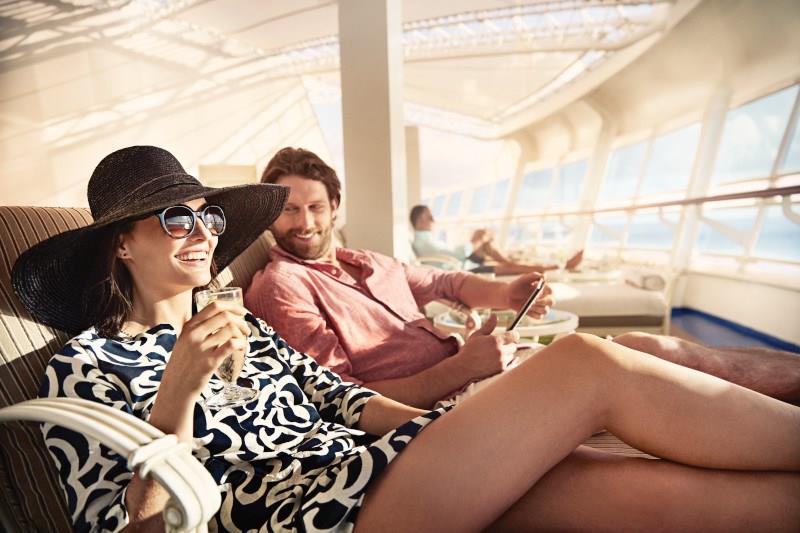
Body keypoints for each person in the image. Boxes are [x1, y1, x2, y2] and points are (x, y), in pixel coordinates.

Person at [13, 145, 800, 533]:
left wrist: (465, 429)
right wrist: (177, 398)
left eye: (209, 215)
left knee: (640, 489)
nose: (203, 231)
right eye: (176, 217)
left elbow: (348, 402)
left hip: (379, 464)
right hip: (305, 508)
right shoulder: (85, 366)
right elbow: (136, 526)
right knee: (588, 361)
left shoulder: (243, 327)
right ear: (122, 243)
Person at [249, 147, 800, 407]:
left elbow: (446, 284)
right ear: (270, 216)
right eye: (289, 210)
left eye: (315, 207)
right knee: (628, 354)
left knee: (645, 349)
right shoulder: (283, 286)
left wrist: (507, 293)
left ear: (335, 207)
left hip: (475, 376)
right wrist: (463, 367)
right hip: (445, 406)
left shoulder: (366, 261)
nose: (305, 223)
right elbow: (345, 400)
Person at [409, 203, 584, 275]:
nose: (434, 220)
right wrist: (478, 241)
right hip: (463, 268)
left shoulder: (426, 239)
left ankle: (508, 260)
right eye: (431, 217)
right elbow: (456, 254)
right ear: (421, 220)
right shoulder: (424, 241)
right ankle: (559, 266)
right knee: (508, 264)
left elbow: (453, 254)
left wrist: (480, 240)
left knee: (482, 235)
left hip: (462, 263)